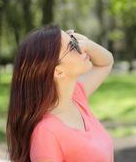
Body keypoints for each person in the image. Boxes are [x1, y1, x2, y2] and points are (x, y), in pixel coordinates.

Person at [6, 24, 114, 162]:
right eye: (73, 46)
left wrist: (86, 43)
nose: (82, 48)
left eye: (75, 40)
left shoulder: (76, 97)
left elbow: (106, 62)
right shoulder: (46, 134)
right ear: (58, 71)